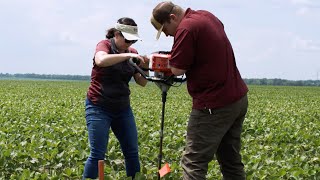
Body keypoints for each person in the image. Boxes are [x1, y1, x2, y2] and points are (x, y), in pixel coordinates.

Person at [150, 2, 249, 180]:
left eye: (164, 29)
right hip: (237, 99)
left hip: (213, 104)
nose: (166, 34)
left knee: (193, 162)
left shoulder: (186, 29)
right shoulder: (206, 16)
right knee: (230, 159)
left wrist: (166, 63)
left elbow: (178, 69)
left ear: (172, 18)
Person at [83, 17, 149, 179]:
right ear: (116, 34)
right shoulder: (105, 45)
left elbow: (142, 82)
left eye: (132, 41)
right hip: (98, 106)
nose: (130, 44)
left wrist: (145, 67)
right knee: (98, 154)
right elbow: (101, 60)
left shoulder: (132, 53)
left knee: (132, 152)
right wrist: (126, 56)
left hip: (122, 109)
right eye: (127, 40)